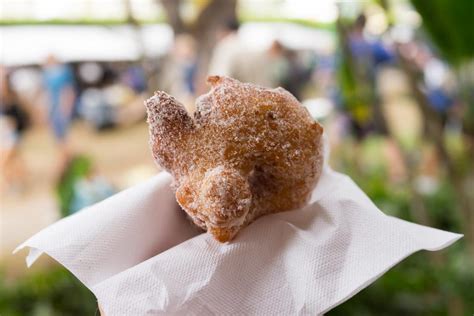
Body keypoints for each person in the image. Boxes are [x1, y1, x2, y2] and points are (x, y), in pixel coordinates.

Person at [42, 55, 76, 175]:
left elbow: (68, 91)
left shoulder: (63, 72)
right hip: (54, 109)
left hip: (60, 109)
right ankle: (65, 160)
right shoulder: (47, 74)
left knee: (63, 138)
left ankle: (65, 162)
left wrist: (66, 108)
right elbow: (47, 93)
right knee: (58, 138)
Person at [0, 65, 29, 193]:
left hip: (11, 136)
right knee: (12, 161)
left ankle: (11, 185)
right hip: (4, 136)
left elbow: (19, 120)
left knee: (7, 161)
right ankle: (14, 183)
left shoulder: (12, 100)